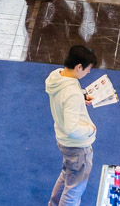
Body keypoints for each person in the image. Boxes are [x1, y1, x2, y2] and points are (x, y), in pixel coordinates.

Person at [45, 45, 100, 206]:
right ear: (78, 67)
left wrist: (81, 97)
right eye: (88, 69)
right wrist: (90, 130)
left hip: (63, 141)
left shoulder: (57, 77)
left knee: (66, 175)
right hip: (77, 146)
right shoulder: (72, 94)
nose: (88, 72)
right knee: (74, 189)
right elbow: (72, 128)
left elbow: (65, 99)